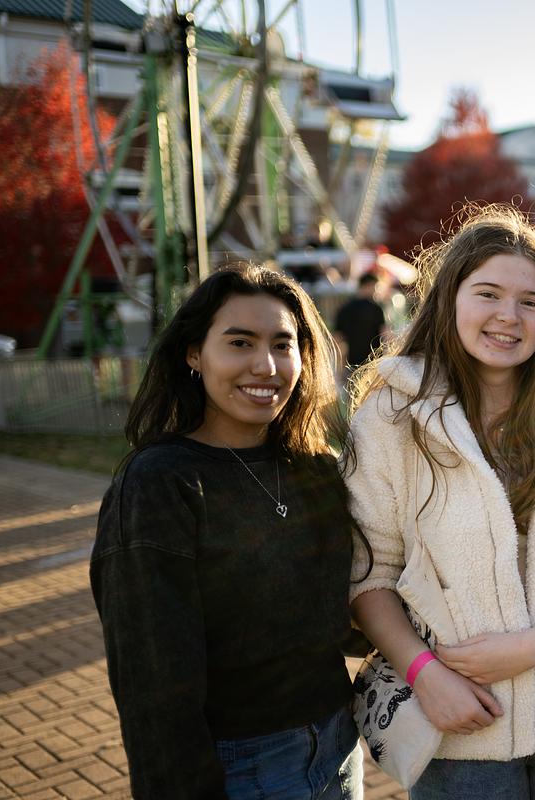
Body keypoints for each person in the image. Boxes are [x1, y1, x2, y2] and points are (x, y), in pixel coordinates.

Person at [345, 207, 535, 800]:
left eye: (530, 302)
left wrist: (530, 648)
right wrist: (424, 673)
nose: (508, 317)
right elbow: (369, 576)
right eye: (487, 293)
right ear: (449, 299)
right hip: (461, 722)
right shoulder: (392, 416)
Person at [91, 264, 366, 800]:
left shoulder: (314, 469)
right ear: (195, 353)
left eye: (283, 345)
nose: (265, 366)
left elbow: (346, 613)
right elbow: (151, 675)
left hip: (337, 745)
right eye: (239, 342)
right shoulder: (159, 483)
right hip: (239, 765)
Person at [334, 272, 388, 370]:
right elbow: (384, 334)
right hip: (374, 363)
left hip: (352, 364)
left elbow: (338, 339)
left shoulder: (345, 308)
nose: (376, 291)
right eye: (375, 287)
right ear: (368, 285)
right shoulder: (376, 308)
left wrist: (340, 366)